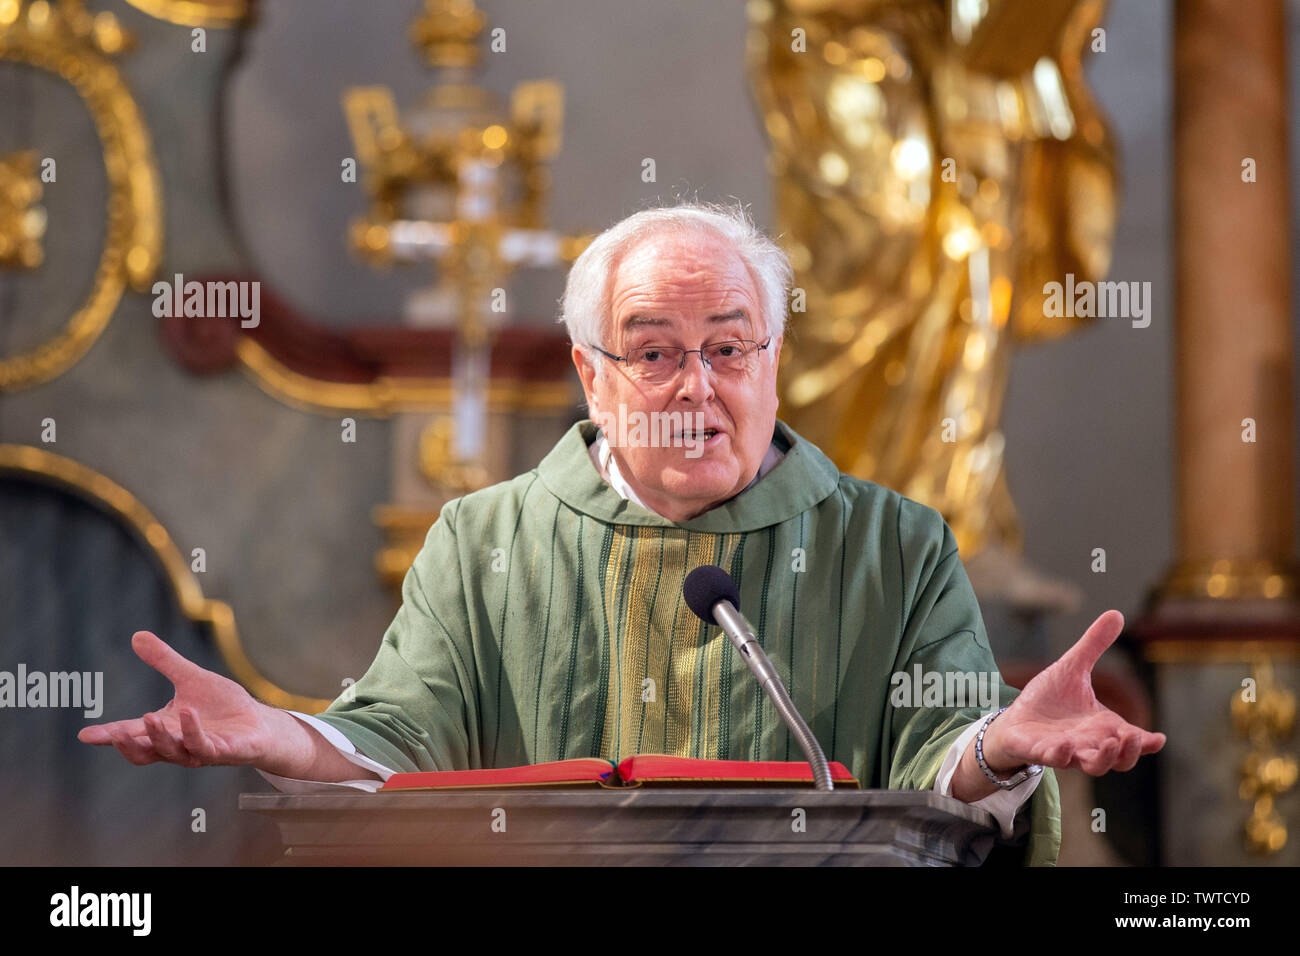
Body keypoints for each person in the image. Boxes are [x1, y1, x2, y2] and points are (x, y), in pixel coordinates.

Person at [79, 203, 1165, 866]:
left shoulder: (895, 545)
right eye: (652, 352)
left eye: (729, 347)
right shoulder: (481, 537)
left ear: (772, 360)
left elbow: (941, 767)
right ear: (589, 375)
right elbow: (402, 742)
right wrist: (279, 734)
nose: (697, 383)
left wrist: (1004, 742)